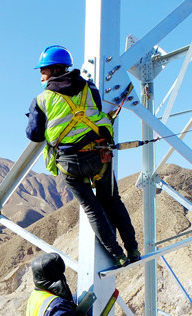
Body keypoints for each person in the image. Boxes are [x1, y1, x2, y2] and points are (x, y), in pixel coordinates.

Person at [26, 45, 140, 268]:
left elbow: (34, 134)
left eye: (43, 71)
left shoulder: (42, 99)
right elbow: (95, 109)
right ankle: (133, 249)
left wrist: (35, 116)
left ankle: (117, 255)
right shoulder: (89, 87)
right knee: (113, 201)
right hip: (99, 155)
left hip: (71, 163)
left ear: (53, 70)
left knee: (92, 209)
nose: (41, 76)